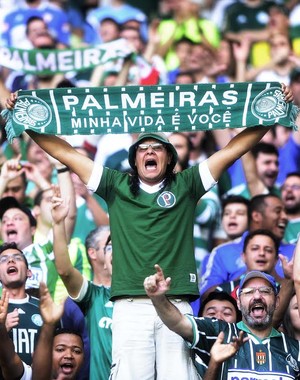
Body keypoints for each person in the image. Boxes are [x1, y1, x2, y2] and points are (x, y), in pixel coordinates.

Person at [5, 84, 293, 380]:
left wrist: (271, 114)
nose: (150, 152)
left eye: (157, 148)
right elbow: (65, 152)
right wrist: (26, 120)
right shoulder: (114, 185)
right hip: (129, 306)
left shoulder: (188, 184)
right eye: (143, 148)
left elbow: (233, 149)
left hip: (176, 303)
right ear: (134, 159)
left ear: (169, 158)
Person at [144, 266, 300, 379]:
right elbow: (177, 322)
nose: (257, 296)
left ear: (277, 301)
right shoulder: (219, 332)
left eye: (265, 291)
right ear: (238, 303)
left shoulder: (295, 350)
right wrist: (158, 298)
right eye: (248, 292)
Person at [51, 185, 112, 380]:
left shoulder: (142, 293)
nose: (118, 250)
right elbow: (64, 270)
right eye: (110, 245)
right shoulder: (93, 295)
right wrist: (58, 223)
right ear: (93, 253)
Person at [200, 194, 295, 298]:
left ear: (276, 258)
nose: (285, 217)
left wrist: (281, 280)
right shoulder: (222, 252)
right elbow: (206, 298)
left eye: (268, 250)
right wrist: (242, 281)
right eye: (278, 211)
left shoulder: (295, 251)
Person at [0, 282, 84, 380]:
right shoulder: (29, 376)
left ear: (84, 359)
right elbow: (9, 361)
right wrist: (1, 328)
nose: (69, 355)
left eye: (77, 351)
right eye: (60, 349)